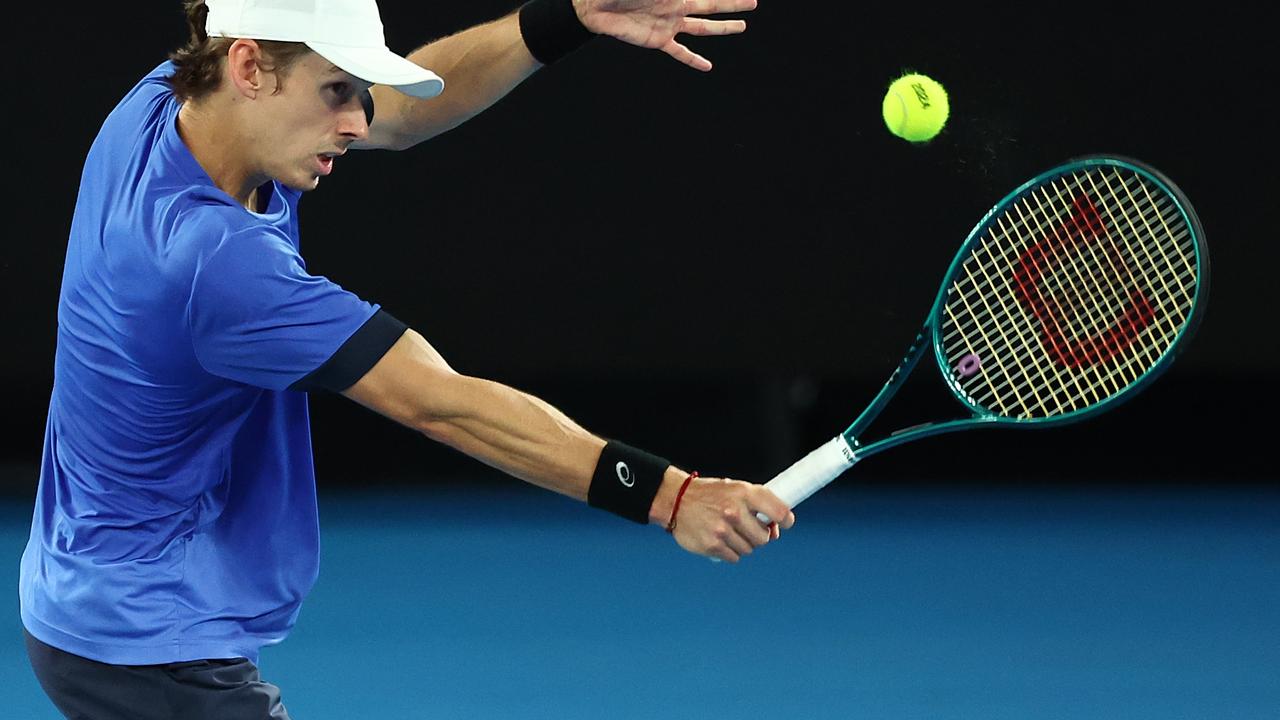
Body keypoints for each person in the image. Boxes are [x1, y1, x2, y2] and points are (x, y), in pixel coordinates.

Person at [19, 0, 794, 717]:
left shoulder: (169, 102)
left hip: (88, 598)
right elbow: (441, 404)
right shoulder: (213, 263)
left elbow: (408, 114)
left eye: (360, 91)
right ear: (249, 67)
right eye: (336, 91)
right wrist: (669, 496)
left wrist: (567, 18)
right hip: (145, 640)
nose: (359, 121)